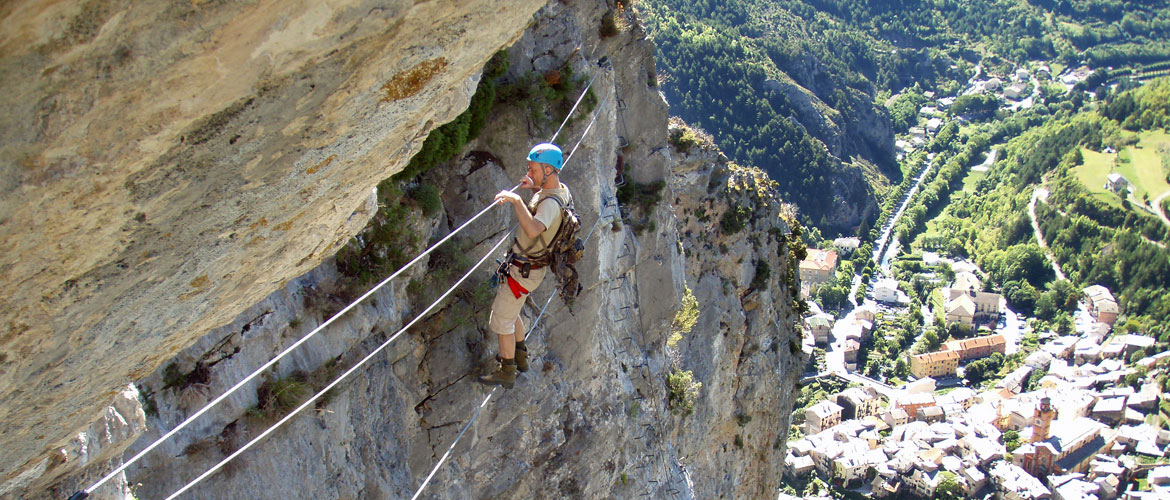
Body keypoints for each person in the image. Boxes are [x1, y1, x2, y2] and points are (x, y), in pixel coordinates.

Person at [479, 143, 573, 388]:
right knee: (512, 311)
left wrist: (516, 200)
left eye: (533, 170)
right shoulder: (559, 191)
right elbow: (545, 202)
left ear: (549, 170)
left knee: (501, 319)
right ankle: (520, 357)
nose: (529, 173)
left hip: (524, 270)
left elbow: (533, 229)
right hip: (528, 269)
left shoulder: (551, 204)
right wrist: (533, 187)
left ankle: (507, 370)